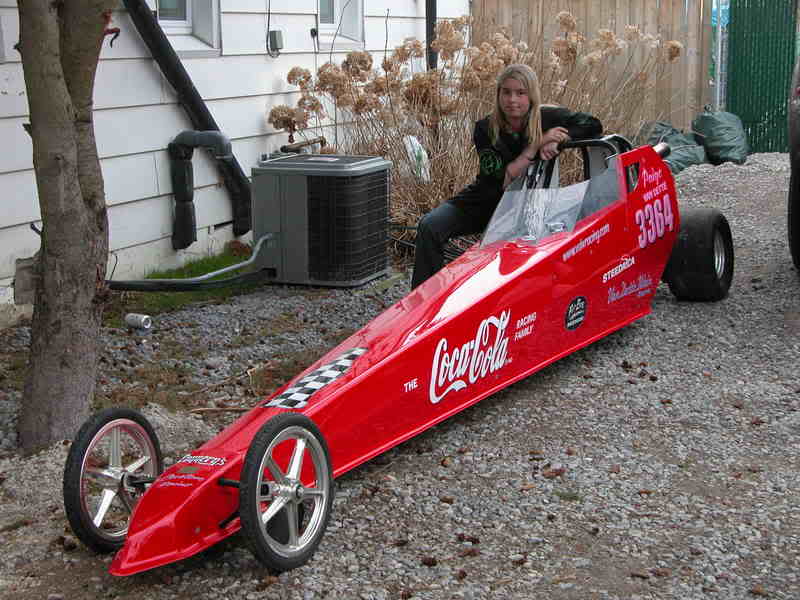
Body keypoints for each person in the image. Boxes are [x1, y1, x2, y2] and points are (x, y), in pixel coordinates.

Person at [411, 64, 603, 289]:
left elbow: (593, 124)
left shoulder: (547, 117)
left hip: (530, 206)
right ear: (498, 94)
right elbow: (502, 179)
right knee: (430, 225)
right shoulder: (485, 128)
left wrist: (559, 139)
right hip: (486, 201)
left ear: (531, 95)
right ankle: (425, 298)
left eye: (520, 93)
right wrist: (535, 147)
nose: (512, 100)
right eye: (506, 92)